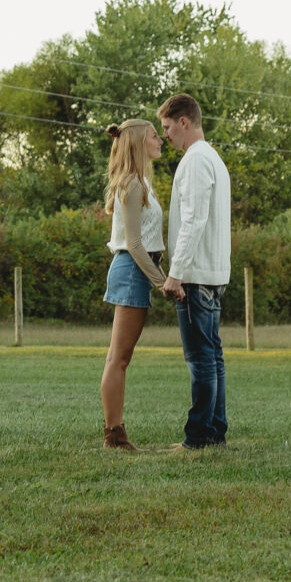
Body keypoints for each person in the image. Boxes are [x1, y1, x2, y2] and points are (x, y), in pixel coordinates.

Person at [157, 94, 232, 448]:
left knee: (201, 360)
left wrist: (176, 272)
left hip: (196, 275)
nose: (166, 135)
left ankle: (199, 436)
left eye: (168, 127)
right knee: (213, 358)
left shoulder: (195, 161)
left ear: (184, 122)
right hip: (212, 274)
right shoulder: (213, 159)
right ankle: (214, 431)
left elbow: (194, 219)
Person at [99, 118, 169, 450]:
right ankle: (114, 434)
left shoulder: (142, 182)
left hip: (138, 270)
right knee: (119, 357)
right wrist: (162, 282)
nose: (161, 140)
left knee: (121, 356)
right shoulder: (133, 184)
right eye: (156, 136)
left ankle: (114, 431)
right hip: (132, 271)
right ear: (140, 142)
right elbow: (135, 244)